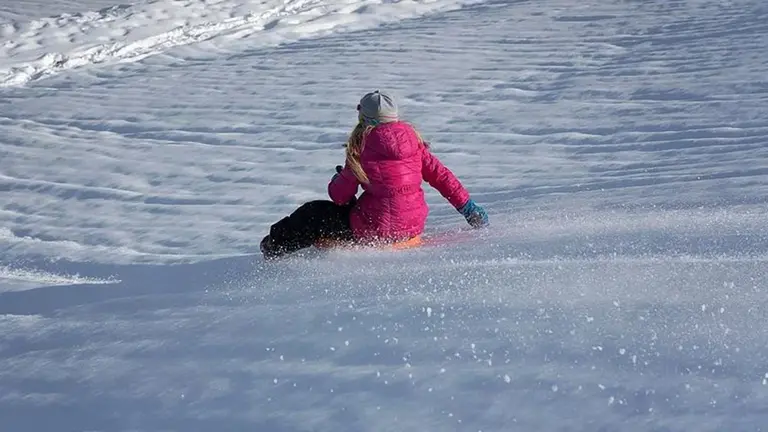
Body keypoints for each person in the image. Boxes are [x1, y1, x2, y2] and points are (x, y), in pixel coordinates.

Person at [260, 90, 488, 259]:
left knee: (312, 213)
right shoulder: (415, 144)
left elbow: (339, 197)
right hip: (412, 227)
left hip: (375, 230)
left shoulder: (362, 147)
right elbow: (442, 177)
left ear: (364, 118)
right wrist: (468, 208)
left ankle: (274, 248)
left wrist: (337, 181)